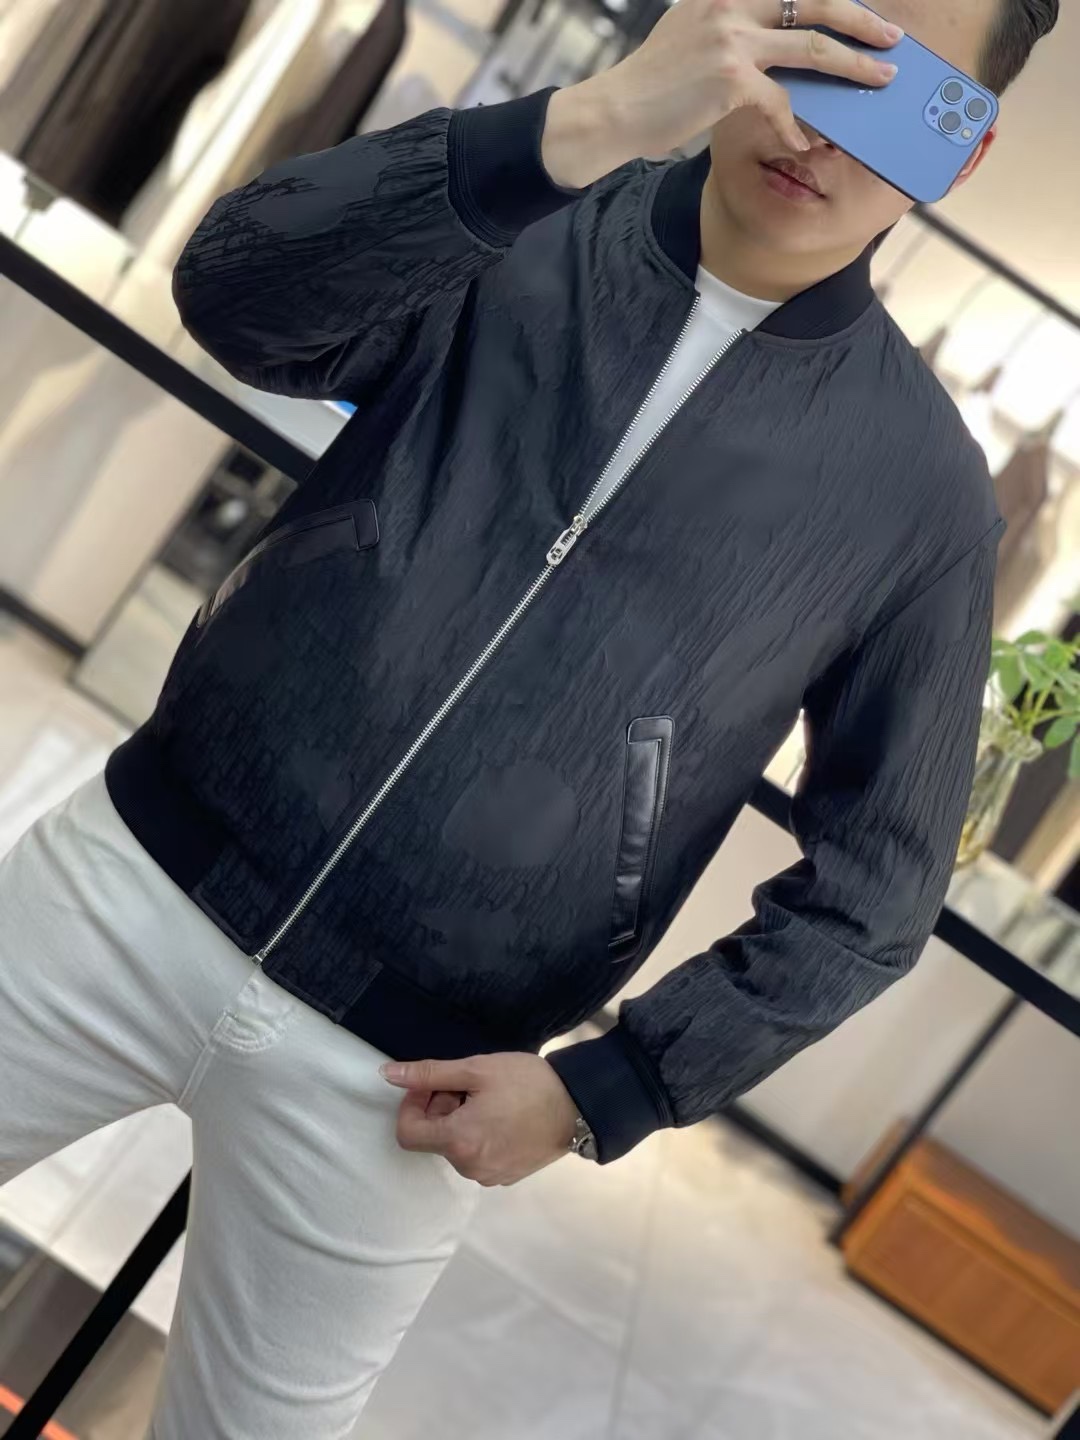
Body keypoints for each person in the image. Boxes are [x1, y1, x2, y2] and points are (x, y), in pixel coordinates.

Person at [0, 1, 1059, 1436]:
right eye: (808, 53)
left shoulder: (919, 496)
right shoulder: (515, 206)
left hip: (410, 1085)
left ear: (963, 146)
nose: (813, 128)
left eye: (892, 101)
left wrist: (606, 1090)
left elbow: (877, 893)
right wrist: (592, 119)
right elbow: (238, 295)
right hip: (127, 885)